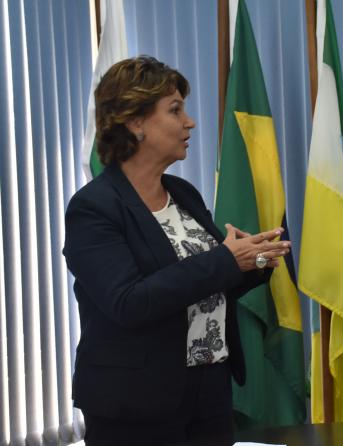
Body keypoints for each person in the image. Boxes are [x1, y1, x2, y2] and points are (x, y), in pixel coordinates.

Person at [63, 56, 289, 445]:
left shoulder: (183, 194)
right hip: (134, 401)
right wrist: (224, 260)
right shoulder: (94, 208)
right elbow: (129, 301)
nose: (190, 122)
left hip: (208, 391)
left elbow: (206, 285)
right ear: (135, 121)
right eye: (175, 110)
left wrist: (253, 260)